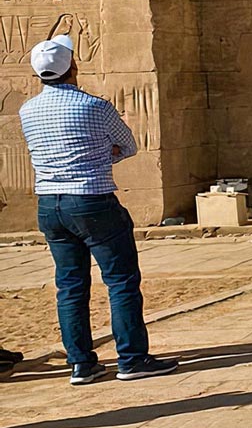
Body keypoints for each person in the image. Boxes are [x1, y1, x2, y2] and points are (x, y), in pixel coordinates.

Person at [19, 32, 179, 386]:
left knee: (70, 284)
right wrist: (102, 156)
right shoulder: (94, 106)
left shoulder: (27, 110)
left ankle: (80, 363)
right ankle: (132, 358)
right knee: (120, 280)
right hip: (91, 198)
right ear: (73, 67)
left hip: (50, 202)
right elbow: (128, 145)